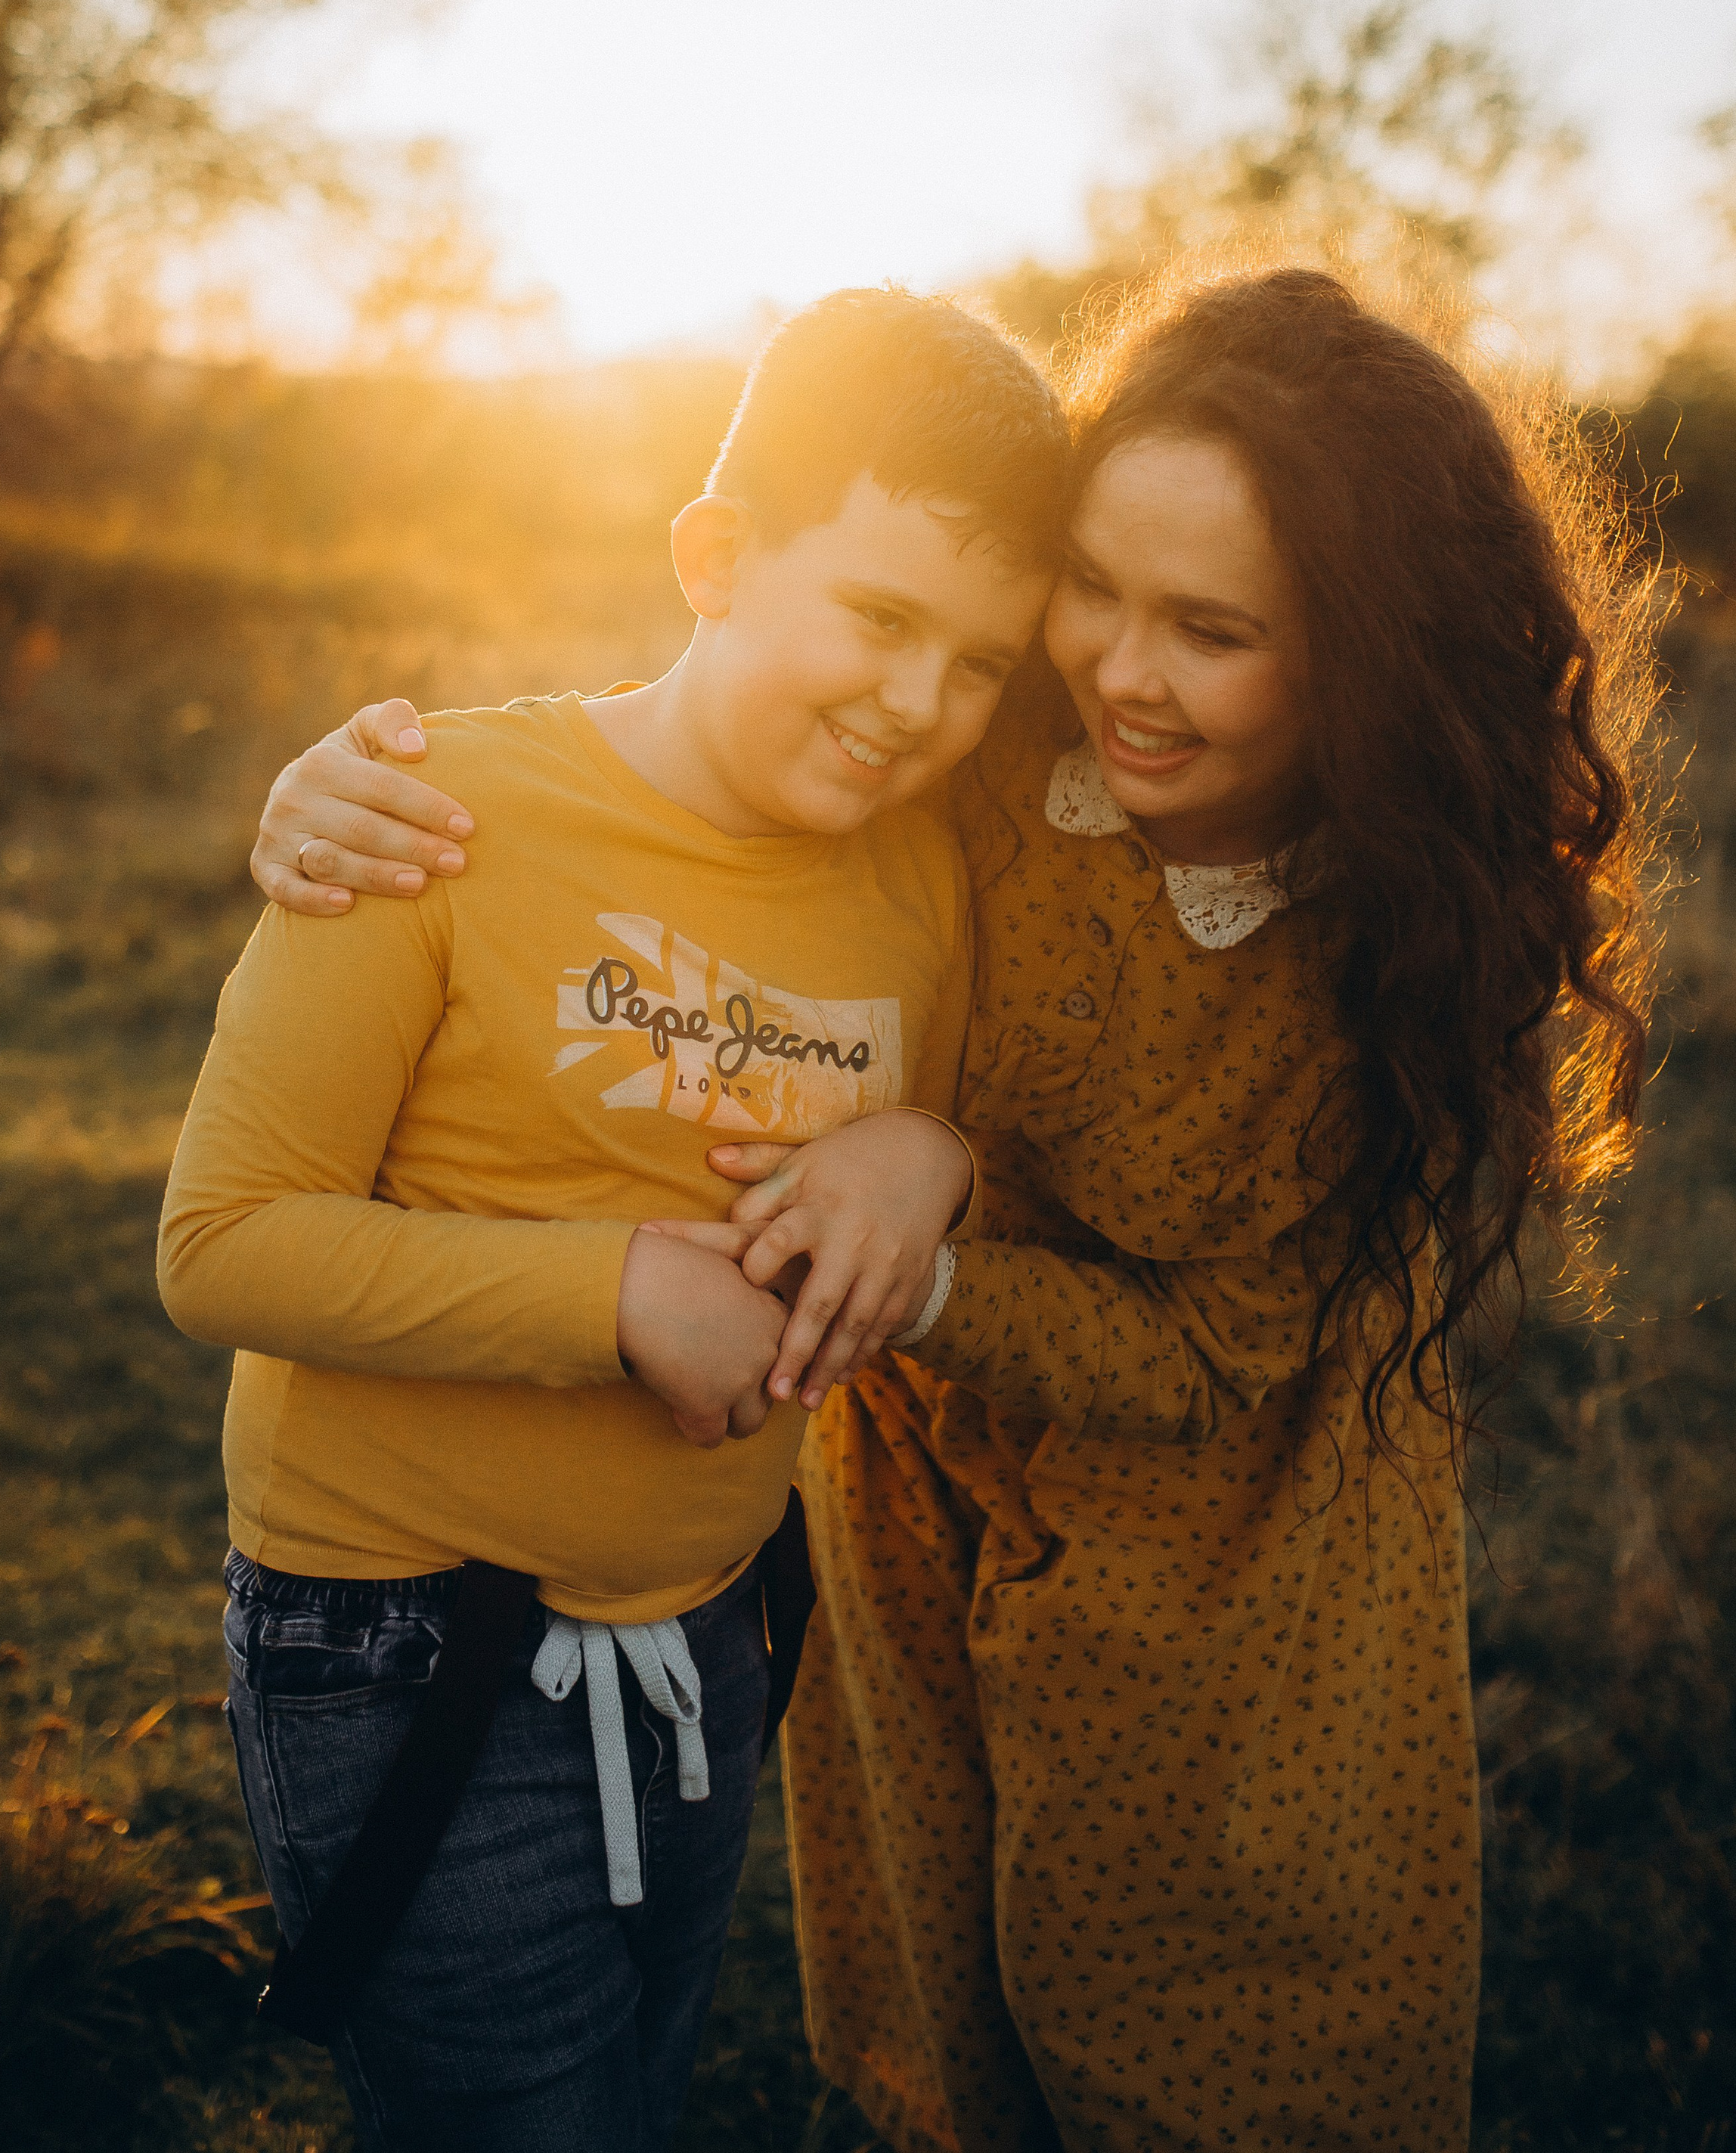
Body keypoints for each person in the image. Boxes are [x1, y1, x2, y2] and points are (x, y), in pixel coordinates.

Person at [254, 265, 1660, 2153]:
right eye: (1090, 588)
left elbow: (1205, 1356)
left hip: (1224, 1585)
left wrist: (933, 1218)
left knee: (1212, 2049)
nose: (1120, 671)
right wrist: (346, 791)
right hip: (913, 1513)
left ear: (1360, 652)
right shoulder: (986, 740)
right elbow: (737, 704)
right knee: (943, 2020)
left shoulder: (1387, 942)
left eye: (1211, 630)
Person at [159, 287, 1072, 2153]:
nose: (920, 702)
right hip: (403, 1651)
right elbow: (224, 1242)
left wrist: (931, 1158)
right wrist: (616, 1294)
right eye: (878, 616)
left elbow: (953, 1142)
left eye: (978, 659)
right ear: (715, 558)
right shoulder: (431, 819)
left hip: (712, 1636)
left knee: (634, 2096)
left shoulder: (921, 875)